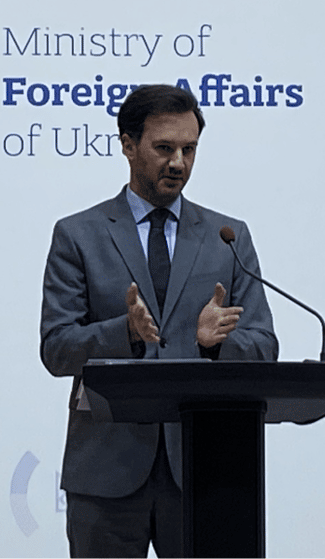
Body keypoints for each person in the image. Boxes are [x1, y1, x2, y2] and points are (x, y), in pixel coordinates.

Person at [39, 83, 278, 559]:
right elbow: (57, 349)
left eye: (190, 149)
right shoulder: (77, 235)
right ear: (128, 145)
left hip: (205, 470)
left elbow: (265, 346)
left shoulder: (228, 238)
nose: (178, 163)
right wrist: (123, 333)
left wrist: (215, 345)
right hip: (106, 470)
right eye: (164, 148)